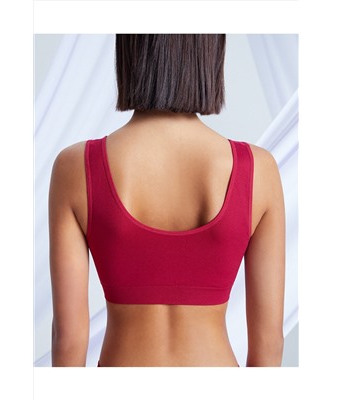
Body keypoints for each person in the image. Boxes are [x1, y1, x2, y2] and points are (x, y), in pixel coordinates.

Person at [48, 34, 285, 367]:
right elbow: (268, 344)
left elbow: (69, 339)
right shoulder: (258, 170)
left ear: (129, 49)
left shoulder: (76, 167)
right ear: (210, 53)